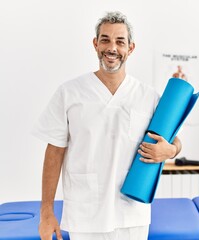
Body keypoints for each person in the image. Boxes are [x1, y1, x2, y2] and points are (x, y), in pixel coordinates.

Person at [32, 11, 182, 240]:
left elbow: (174, 140)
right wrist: (46, 212)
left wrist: (170, 150)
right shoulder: (70, 92)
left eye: (120, 41)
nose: (112, 47)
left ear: (130, 48)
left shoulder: (147, 96)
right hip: (85, 213)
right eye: (105, 39)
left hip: (131, 213)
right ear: (95, 44)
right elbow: (54, 151)